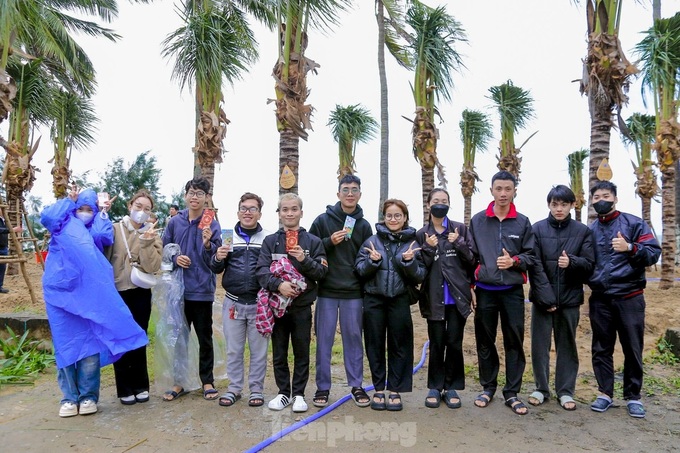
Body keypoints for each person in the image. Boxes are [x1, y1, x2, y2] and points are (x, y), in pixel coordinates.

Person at [41, 186, 148, 417]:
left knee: (89, 345)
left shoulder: (95, 228)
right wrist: (68, 202)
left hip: (90, 295)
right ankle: (69, 397)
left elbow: (103, 236)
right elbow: (47, 217)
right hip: (60, 294)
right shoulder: (61, 224)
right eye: (82, 208)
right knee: (65, 346)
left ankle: (88, 396)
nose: (85, 212)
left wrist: (101, 212)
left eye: (89, 208)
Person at [587, 181, 660, 418]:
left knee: (632, 347)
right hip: (600, 299)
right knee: (601, 347)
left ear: (615, 198)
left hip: (630, 297)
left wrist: (630, 247)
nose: (601, 200)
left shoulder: (634, 223)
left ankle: (633, 396)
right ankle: (604, 393)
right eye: (596, 197)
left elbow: (653, 253)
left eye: (606, 196)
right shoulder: (591, 230)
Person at [469, 171, 535, 415]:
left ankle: (512, 392)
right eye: (499, 188)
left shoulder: (522, 222)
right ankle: (488, 387)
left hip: (512, 292)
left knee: (513, 341)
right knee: (485, 342)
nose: (503, 193)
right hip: (485, 291)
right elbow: (470, 256)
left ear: (514, 191)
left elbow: (531, 256)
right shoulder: (477, 221)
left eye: (508, 189)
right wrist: (471, 287)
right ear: (491, 190)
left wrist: (515, 261)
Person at [256, 193, 328, 413]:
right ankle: (283, 393)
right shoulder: (270, 241)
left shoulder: (312, 241)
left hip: (302, 307)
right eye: (285, 209)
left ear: (301, 212)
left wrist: (304, 260)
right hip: (277, 309)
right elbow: (261, 271)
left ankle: (298, 394)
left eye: (294, 209)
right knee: (279, 352)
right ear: (279, 213)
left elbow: (322, 272)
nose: (289, 213)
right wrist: (278, 285)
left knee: (301, 351)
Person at [527, 185, 595, 411]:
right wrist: (546, 299)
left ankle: (565, 391)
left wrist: (572, 262)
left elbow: (589, 265)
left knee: (567, 346)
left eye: (564, 204)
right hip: (542, 301)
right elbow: (534, 267)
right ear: (548, 205)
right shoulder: (536, 229)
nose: (559, 209)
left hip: (570, 299)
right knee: (539, 346)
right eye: (555, 204)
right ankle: (541, 388)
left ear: (572, 205)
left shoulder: (583, 231)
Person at [355, 199, 426, 412]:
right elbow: (359, 269)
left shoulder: (413, 243)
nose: (393, 219)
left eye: (398, 215)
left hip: (399, 299)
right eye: (389, 215)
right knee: (374, 344)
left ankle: (395, 390)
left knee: (400, 345)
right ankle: (378, 388)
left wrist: (409, 262)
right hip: (374, 299)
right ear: (383, 217)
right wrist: (372, 261)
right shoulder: (371, 241)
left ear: (405, 218)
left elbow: (421, 274)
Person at [309, 175, 373, 408]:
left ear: (359, 195)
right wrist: (328, 242)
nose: (350, 193)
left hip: (354, 292)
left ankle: (356, 385)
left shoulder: (364, 225)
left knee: (354, 340)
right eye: (345, 189)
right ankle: (322, 388)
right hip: (326, 290)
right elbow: (309, 250)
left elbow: (367, 256)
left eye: (354, 190)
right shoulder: (323, 220)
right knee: (324, 341)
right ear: (338, 194)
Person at [416, 188, 477, 410]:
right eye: (436, 201)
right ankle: (434, 386)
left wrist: (459, 242)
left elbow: (472, 260)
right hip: (434, 297)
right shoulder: (422, 233)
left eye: (444, 200)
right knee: (437, 342)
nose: (440, 204)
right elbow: (420, 268)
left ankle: (451, 387)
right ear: (428, 204)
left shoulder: (460, 229)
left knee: (454, 342)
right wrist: (428, 247)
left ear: (449, 204)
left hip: (457, 297)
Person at [162, 177, 222, 401]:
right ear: (185, 195)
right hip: (179, 290)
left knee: (205, 337)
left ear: (207, 198)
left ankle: (207, 381)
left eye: (200, 193)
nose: (195, 197)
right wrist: (176, 258)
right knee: (180, 338)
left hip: (202, 290)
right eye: (191, 192)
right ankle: (179, 383)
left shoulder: (211, 223)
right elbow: (165, 249)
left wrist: (208, 244)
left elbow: (216, 258)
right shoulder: (174, 222)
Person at [210, 193, 271, 408]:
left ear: (259, 213)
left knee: (259, 351)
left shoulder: (268, 239)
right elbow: (215, 268)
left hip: (260, 304)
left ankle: (256, 390)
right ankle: (235, 388)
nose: (247, 212)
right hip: (233, 303)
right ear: (238, 212)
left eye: (252, 208)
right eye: (244, 208)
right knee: (234, 350)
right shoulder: (227, 238)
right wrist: (218, 256)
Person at [105, 190, 163, 405]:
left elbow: (153, 266)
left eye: (147, 209)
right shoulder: (113, 229)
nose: (142, 212)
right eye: (138, 206)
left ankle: (141, 386)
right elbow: (105, 259)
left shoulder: (153, 233)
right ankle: (124, 388)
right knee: (120, 340)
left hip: (140, 292)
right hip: (117, 292)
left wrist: (147, 243)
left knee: (139, 338)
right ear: (130, 205)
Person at [0, 215, 22, 293]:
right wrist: (12, 230)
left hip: (3, 247)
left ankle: (0, 286)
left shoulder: (3, 220)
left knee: (2, 268)